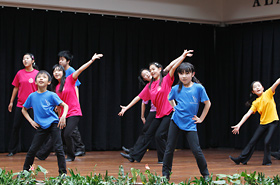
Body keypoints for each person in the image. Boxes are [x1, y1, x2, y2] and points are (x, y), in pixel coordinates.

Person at [119, 49, 193, 163]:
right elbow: (138, 97)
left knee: (159, 135)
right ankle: (135, 157)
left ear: (159, 69)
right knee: (147, 134)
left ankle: (163, 159)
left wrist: (183, 56)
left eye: (153, 69)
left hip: (169, 112)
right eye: (150, 70)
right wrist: (126, 107)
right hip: (159, 114)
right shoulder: (150, 85)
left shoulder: (167, 79)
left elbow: (173, 67)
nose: (151, 72)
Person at [37, 53, 103, 162]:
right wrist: (59, 117)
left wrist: (92, 60)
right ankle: (42, 155)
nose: (56, 72)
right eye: (54, 71)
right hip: (62, 115)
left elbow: (81, 69)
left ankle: (71, 155)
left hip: (74, 112)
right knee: (57, 134)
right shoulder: (55, 88)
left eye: (59, 70)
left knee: (67, 134)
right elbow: (58, 106)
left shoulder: (70, 79)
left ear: (63, 72)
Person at [162, 62, 210, 180]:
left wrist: (201, 118)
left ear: (192, 74)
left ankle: (206, 174)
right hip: (176, 121)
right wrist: (174, 108)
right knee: (169, 148)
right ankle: (165, 174)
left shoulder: (198, 88)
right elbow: (170, 98)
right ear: (178, 75)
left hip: (190, 123)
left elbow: (207, 103)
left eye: (187, 73)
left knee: (196, 150)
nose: (184, 76)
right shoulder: (175, 88)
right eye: (181, 73)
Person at [22, 70, 68, 175]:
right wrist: (31, 121)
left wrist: (63, 116)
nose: (41, 78)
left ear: (49, 82)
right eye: (39, 77)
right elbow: (23, 109)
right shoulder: (32, 96)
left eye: (44, 77)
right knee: (32, 150)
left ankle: (63, 174)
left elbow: (65, 105)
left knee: (59, 149)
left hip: (53, 123)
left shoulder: (51, 95)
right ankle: (25, 172)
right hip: (41, 126)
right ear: (36, 82)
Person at [229, 79, 280, 165]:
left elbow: (276, 83)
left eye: (259, 86)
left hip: (273, 122)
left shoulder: (268, 93)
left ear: (263, 88)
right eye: (255, 87)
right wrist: (239, 125)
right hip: (263, 124)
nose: (257, 87)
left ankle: (267, 162)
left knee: (267, 141)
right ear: (253, 91)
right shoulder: (255, 103)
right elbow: (247, 114)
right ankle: (241, 159)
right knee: (252, 142)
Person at [7, 53, 39, 156]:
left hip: (34, 105)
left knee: (36, 128)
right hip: (21, 105)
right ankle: (12, 150)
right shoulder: (19, 73)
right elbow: (15, 87)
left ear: (32, 61)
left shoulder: (37, 73)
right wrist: (11, 102)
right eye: (23, 59)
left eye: (27, 58)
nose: (25, 60)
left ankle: (36, 150)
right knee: (16, 127)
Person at [121, 69, 157, 156]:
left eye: (147, 72)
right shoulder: (148, 87)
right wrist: (142, 116)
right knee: (146, 133)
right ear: (144, 79)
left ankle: (134, 152)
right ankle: (134, 152)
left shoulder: (161, 81)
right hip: (154, 112)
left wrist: (183, 55)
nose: (147, 74)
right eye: (145, 75)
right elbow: (141, 100)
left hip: (165, 111)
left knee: (157, 135)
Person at [58, 50, 85, 156]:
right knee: (66, 128)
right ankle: (68, 148)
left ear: (68, 61)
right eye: (59, 59)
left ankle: (80, 148)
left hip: (71, 104)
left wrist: (76, 102)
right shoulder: (60, 71)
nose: (60, 61)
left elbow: (75, 86)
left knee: (72, 129)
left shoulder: (71, 70)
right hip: (64, 104)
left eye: (62, 59)